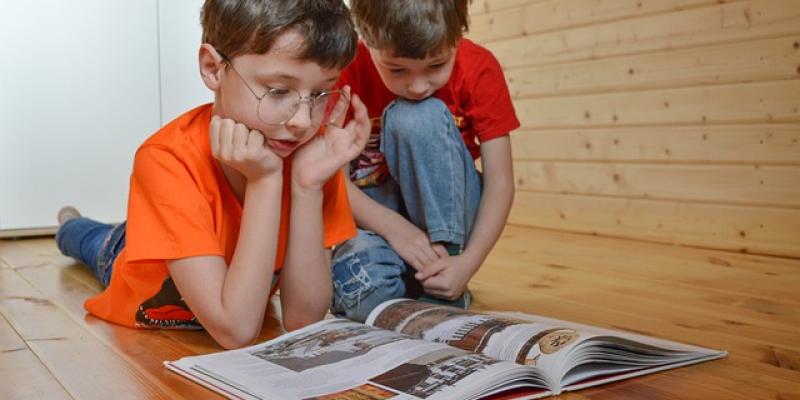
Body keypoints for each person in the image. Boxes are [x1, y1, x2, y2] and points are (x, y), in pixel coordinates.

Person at [55, 0, 369, 349]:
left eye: (321, 93)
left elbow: (302, 320)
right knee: (94, 242)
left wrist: (307, 187)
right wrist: (264, 181)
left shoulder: (310, 158)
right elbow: (235, 330)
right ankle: (70, 222)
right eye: (279, 91)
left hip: (190, 240)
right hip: (132, 261)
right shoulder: (165, 159)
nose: (301, 121)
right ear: (212, 68)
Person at [330, 0, 520, 322]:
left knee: (416, 117)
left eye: (436, 66)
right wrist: (394, 229)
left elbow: (500, 182)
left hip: (451, 219)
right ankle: (411, 286)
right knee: (364, 295)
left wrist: (466, 264)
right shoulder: (343, 72)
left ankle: (444, 277)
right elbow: (332, 182)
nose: (418, 86)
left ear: (457, 36)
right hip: (375, 216)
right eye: (398, 69)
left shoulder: (479, 67)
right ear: (365, 38)